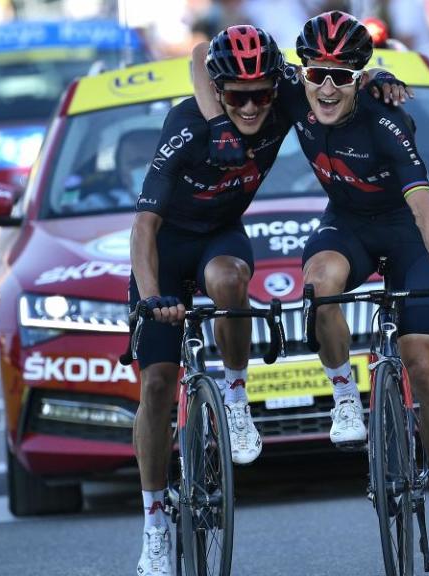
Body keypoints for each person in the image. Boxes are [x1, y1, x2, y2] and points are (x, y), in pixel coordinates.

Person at [192, 11, 429, 565]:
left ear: (359, 79)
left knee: (422, 360)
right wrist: (219, 125)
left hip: (407, 233)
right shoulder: (292, 93)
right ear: (302, 72)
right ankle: (347, 394)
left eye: (341, 76)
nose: (325, 87)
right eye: (317, 72)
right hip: (348, 223)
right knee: (320, 283)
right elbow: (203, 56)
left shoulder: (385, 120)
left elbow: (426, 207)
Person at [129, 25, 288, 576]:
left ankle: (237, 401)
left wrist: (380, 79)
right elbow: (144, 226)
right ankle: (153, 520)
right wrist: (151, 298)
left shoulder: (283, 96)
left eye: (261, 94)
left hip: (220, 234)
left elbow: (335, 89)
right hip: (168, 246)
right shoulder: (187, 124)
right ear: (218, 92)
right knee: (155, 385)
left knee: (227, 279)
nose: (250, 106)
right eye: (236, 96)